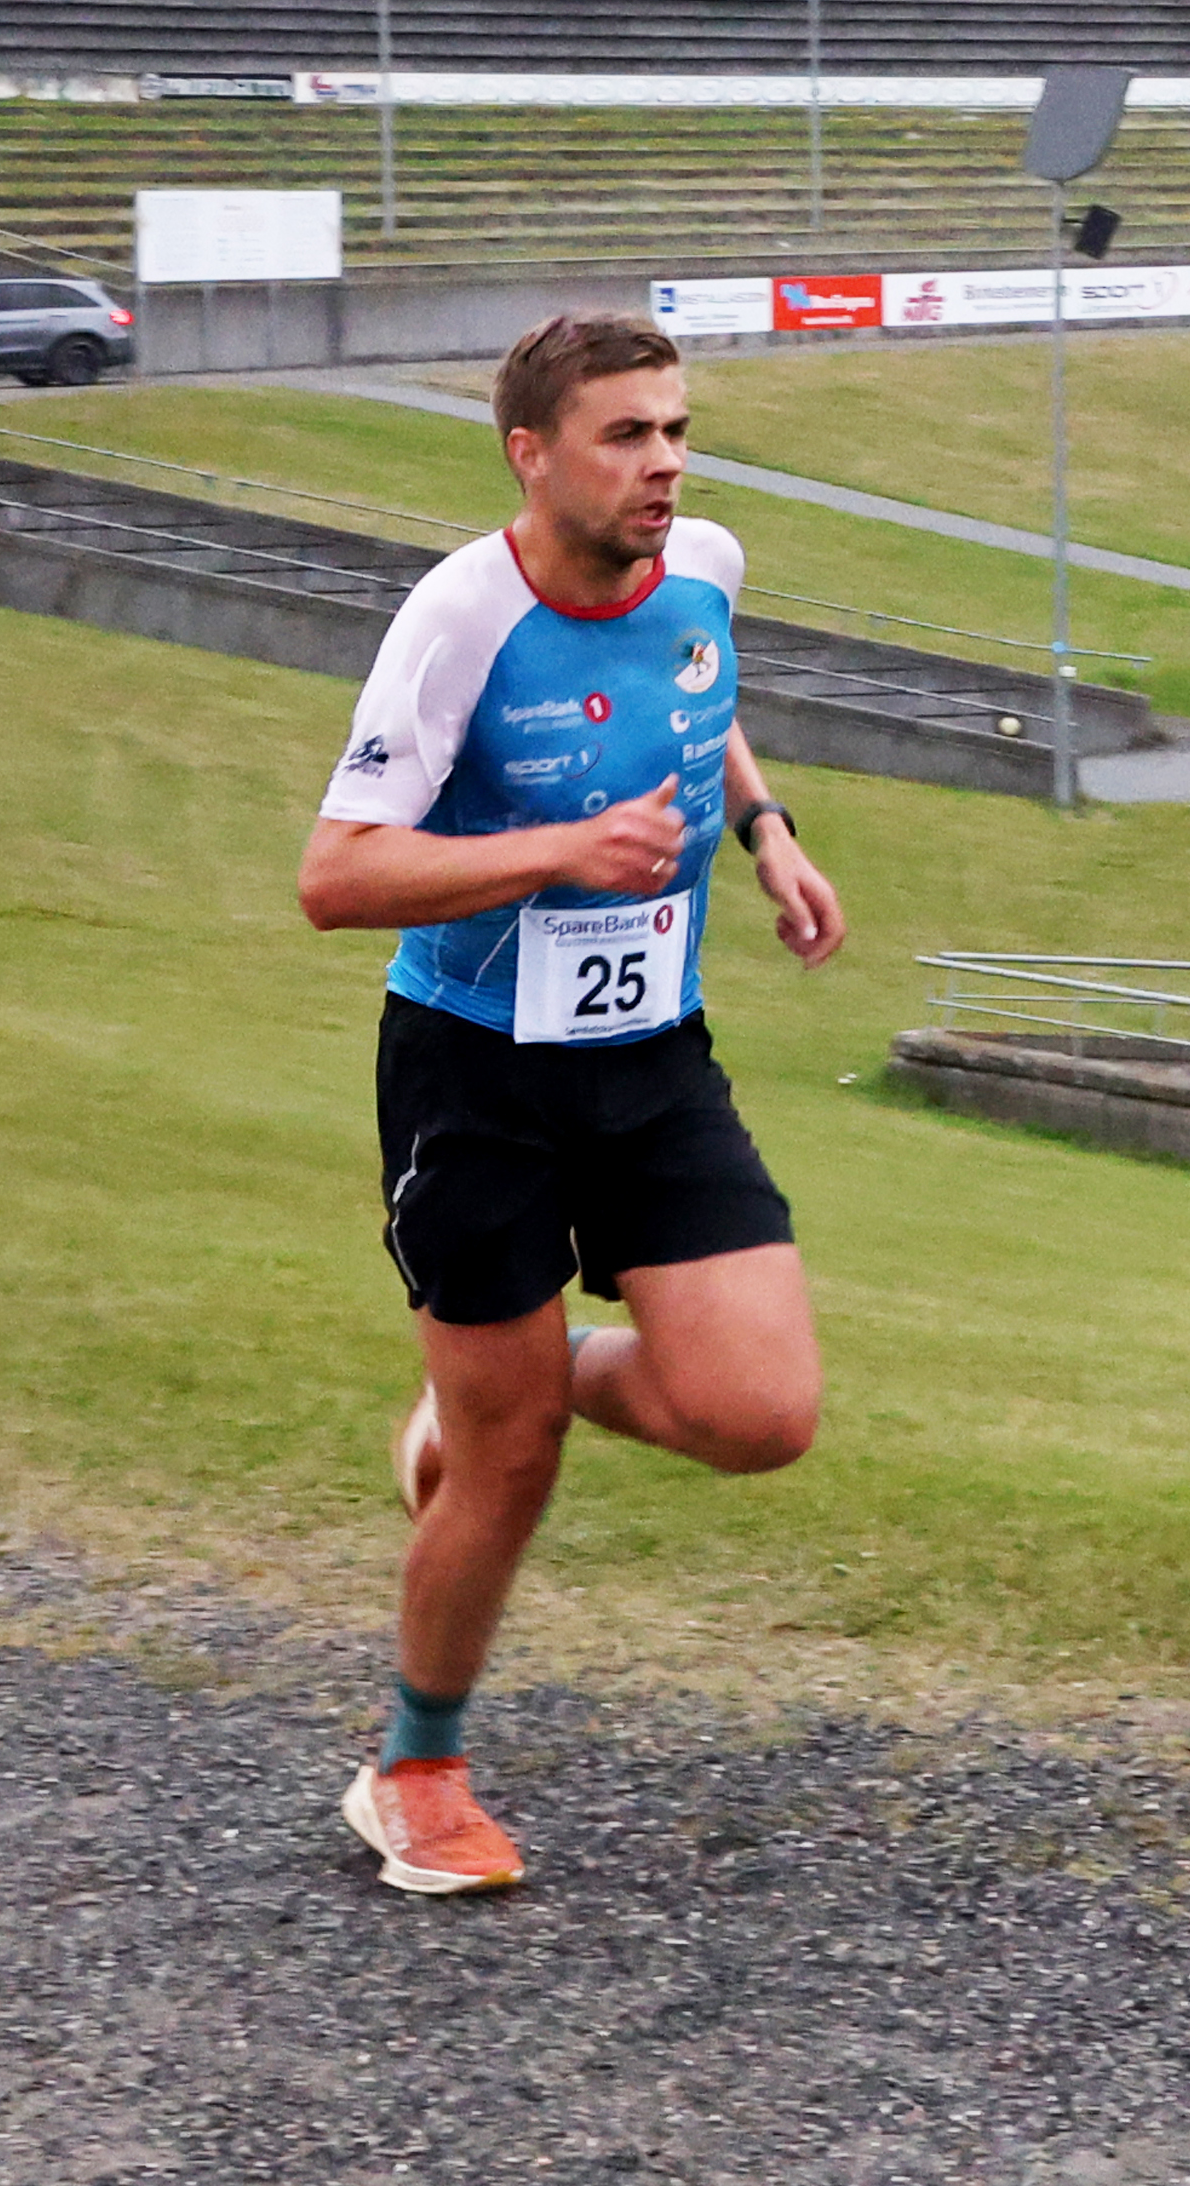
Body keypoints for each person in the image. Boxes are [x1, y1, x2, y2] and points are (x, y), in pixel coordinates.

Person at [296, 308, 845, 1895]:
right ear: (531, 455)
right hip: (475, 1075)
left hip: (653, 1055)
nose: (664, 464)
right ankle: (414, 1772)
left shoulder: (706, 567)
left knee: (760, 1416)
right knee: (510, 1462)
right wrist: (557, 852)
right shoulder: (460, 619)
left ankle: (518, 1389)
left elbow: (697, 695)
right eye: (626, 436)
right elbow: (335, 878)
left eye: (676, 431)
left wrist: (767, 832)